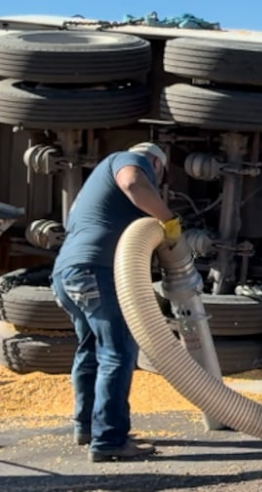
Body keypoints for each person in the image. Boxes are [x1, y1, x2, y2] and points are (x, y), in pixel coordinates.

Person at [50, 142, 182, 462]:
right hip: (97, 271)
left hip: (67, 273)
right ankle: (109, 440)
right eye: (158, 174)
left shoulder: (94, 188)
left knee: (91, 348)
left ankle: (86, 427)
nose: (156, 180)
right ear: (156, 162)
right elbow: (134, 182)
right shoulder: (130, 160)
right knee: (118, 350)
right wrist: (168, 219)